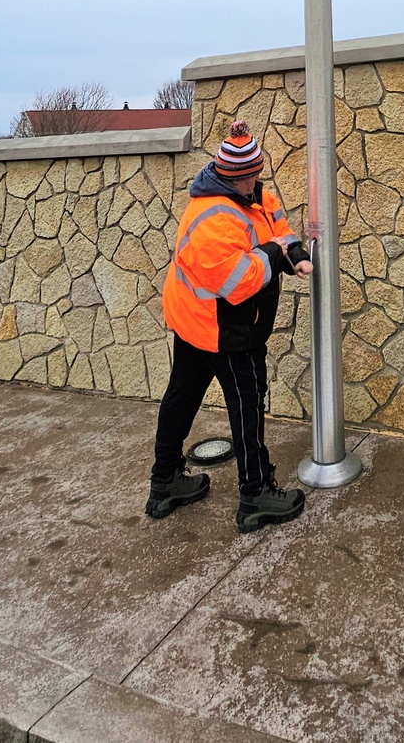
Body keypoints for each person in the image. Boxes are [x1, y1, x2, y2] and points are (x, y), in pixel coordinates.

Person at [147, 121, 314, 534]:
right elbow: (239, 282)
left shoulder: (251, 194)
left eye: (257, 172)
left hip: (201, 322)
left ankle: (164, 483)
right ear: (229, 175)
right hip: (223, 329)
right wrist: (276, 256)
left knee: (181, 398)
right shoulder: (211, 218)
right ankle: (255, 495)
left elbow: (277, 226)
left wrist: (293, 251)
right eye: (249, 175)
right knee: (246, 406)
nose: (256, 180)